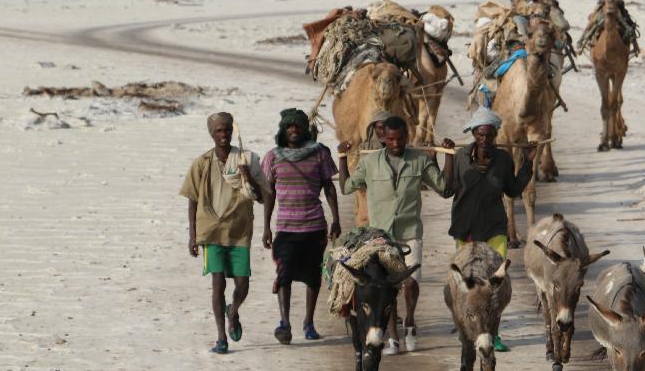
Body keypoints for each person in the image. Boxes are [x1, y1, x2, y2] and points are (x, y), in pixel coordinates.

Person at [338, 115, 454, 354]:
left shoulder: (420, 161)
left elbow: (445, 189)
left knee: (410, 282)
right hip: (380, 238)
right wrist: (342, 157)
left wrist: (449, 156)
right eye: (390, 139)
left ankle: (410, 321)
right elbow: (346, 186)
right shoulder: (370, 163)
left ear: (407, 137)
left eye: (400, 138)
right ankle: (393, 338)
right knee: (384, 288)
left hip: (410, 233)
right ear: (383, 138)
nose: (396, 143)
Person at [180, 112, 269, 354]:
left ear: (232, 131)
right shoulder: (202, 163)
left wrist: (247, 176)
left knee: (243, 285)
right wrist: (193, 235)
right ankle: (221, 337)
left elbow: (262, 196)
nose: (223, 134)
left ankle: (234, 310)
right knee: (217, 283)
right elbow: (192, 200)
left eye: (227, 130)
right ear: (211, 133)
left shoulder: (245, 160)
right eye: (218, 130)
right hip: (211, 231)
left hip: (239, 231)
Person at [447, 107, 535, 352]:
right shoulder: (461, 157)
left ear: (496, 134)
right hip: (466, 228)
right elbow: (446, 189)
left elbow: (513, 190)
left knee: (495, 283)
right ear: (474, 133)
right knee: (468, 282)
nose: (485, 139)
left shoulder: (504, 159)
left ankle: (493, 334)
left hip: (495, 227)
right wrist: (443, 156)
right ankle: (468, 330)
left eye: (489, 134)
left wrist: (528, 163)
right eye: (480, 134)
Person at [262, 109, 340, 344]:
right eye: (289, 127)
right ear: (283, 130)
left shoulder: (320, 153)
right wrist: (266, 226)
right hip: (286, 228)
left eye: (298, 126)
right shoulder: (273, 157)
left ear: (305, 129)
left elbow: (329, 187)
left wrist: (336, 219)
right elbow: (269, 193)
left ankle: (308, 322)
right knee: (283, 273)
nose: (294, 130)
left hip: (314, 226)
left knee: (312, 276)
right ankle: (284, 322)